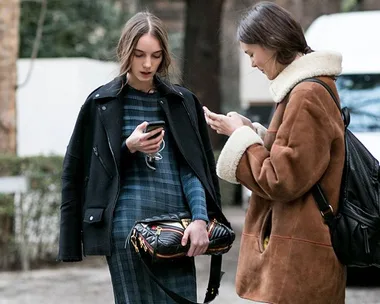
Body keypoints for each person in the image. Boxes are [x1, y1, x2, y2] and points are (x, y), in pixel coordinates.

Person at [58, 12, 224, 304]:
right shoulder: (101, 103)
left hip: (176, 230)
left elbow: (193, 170)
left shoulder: (182, 102)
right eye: (139, 55)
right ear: (125, 52)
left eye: (156, 56)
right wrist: (128, 148)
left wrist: (200, 219)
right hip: (125, 230)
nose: (148, 64)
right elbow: (82, 172)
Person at [204, 2, 346, 303]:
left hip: (300, 259)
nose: (253, 63)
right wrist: (249, 131)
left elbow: (282, 178)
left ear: (271, 43)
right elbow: (297, 157)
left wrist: (241, 137)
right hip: (302, 254)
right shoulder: (305, 89)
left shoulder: (306, 93)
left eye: (252, 53)